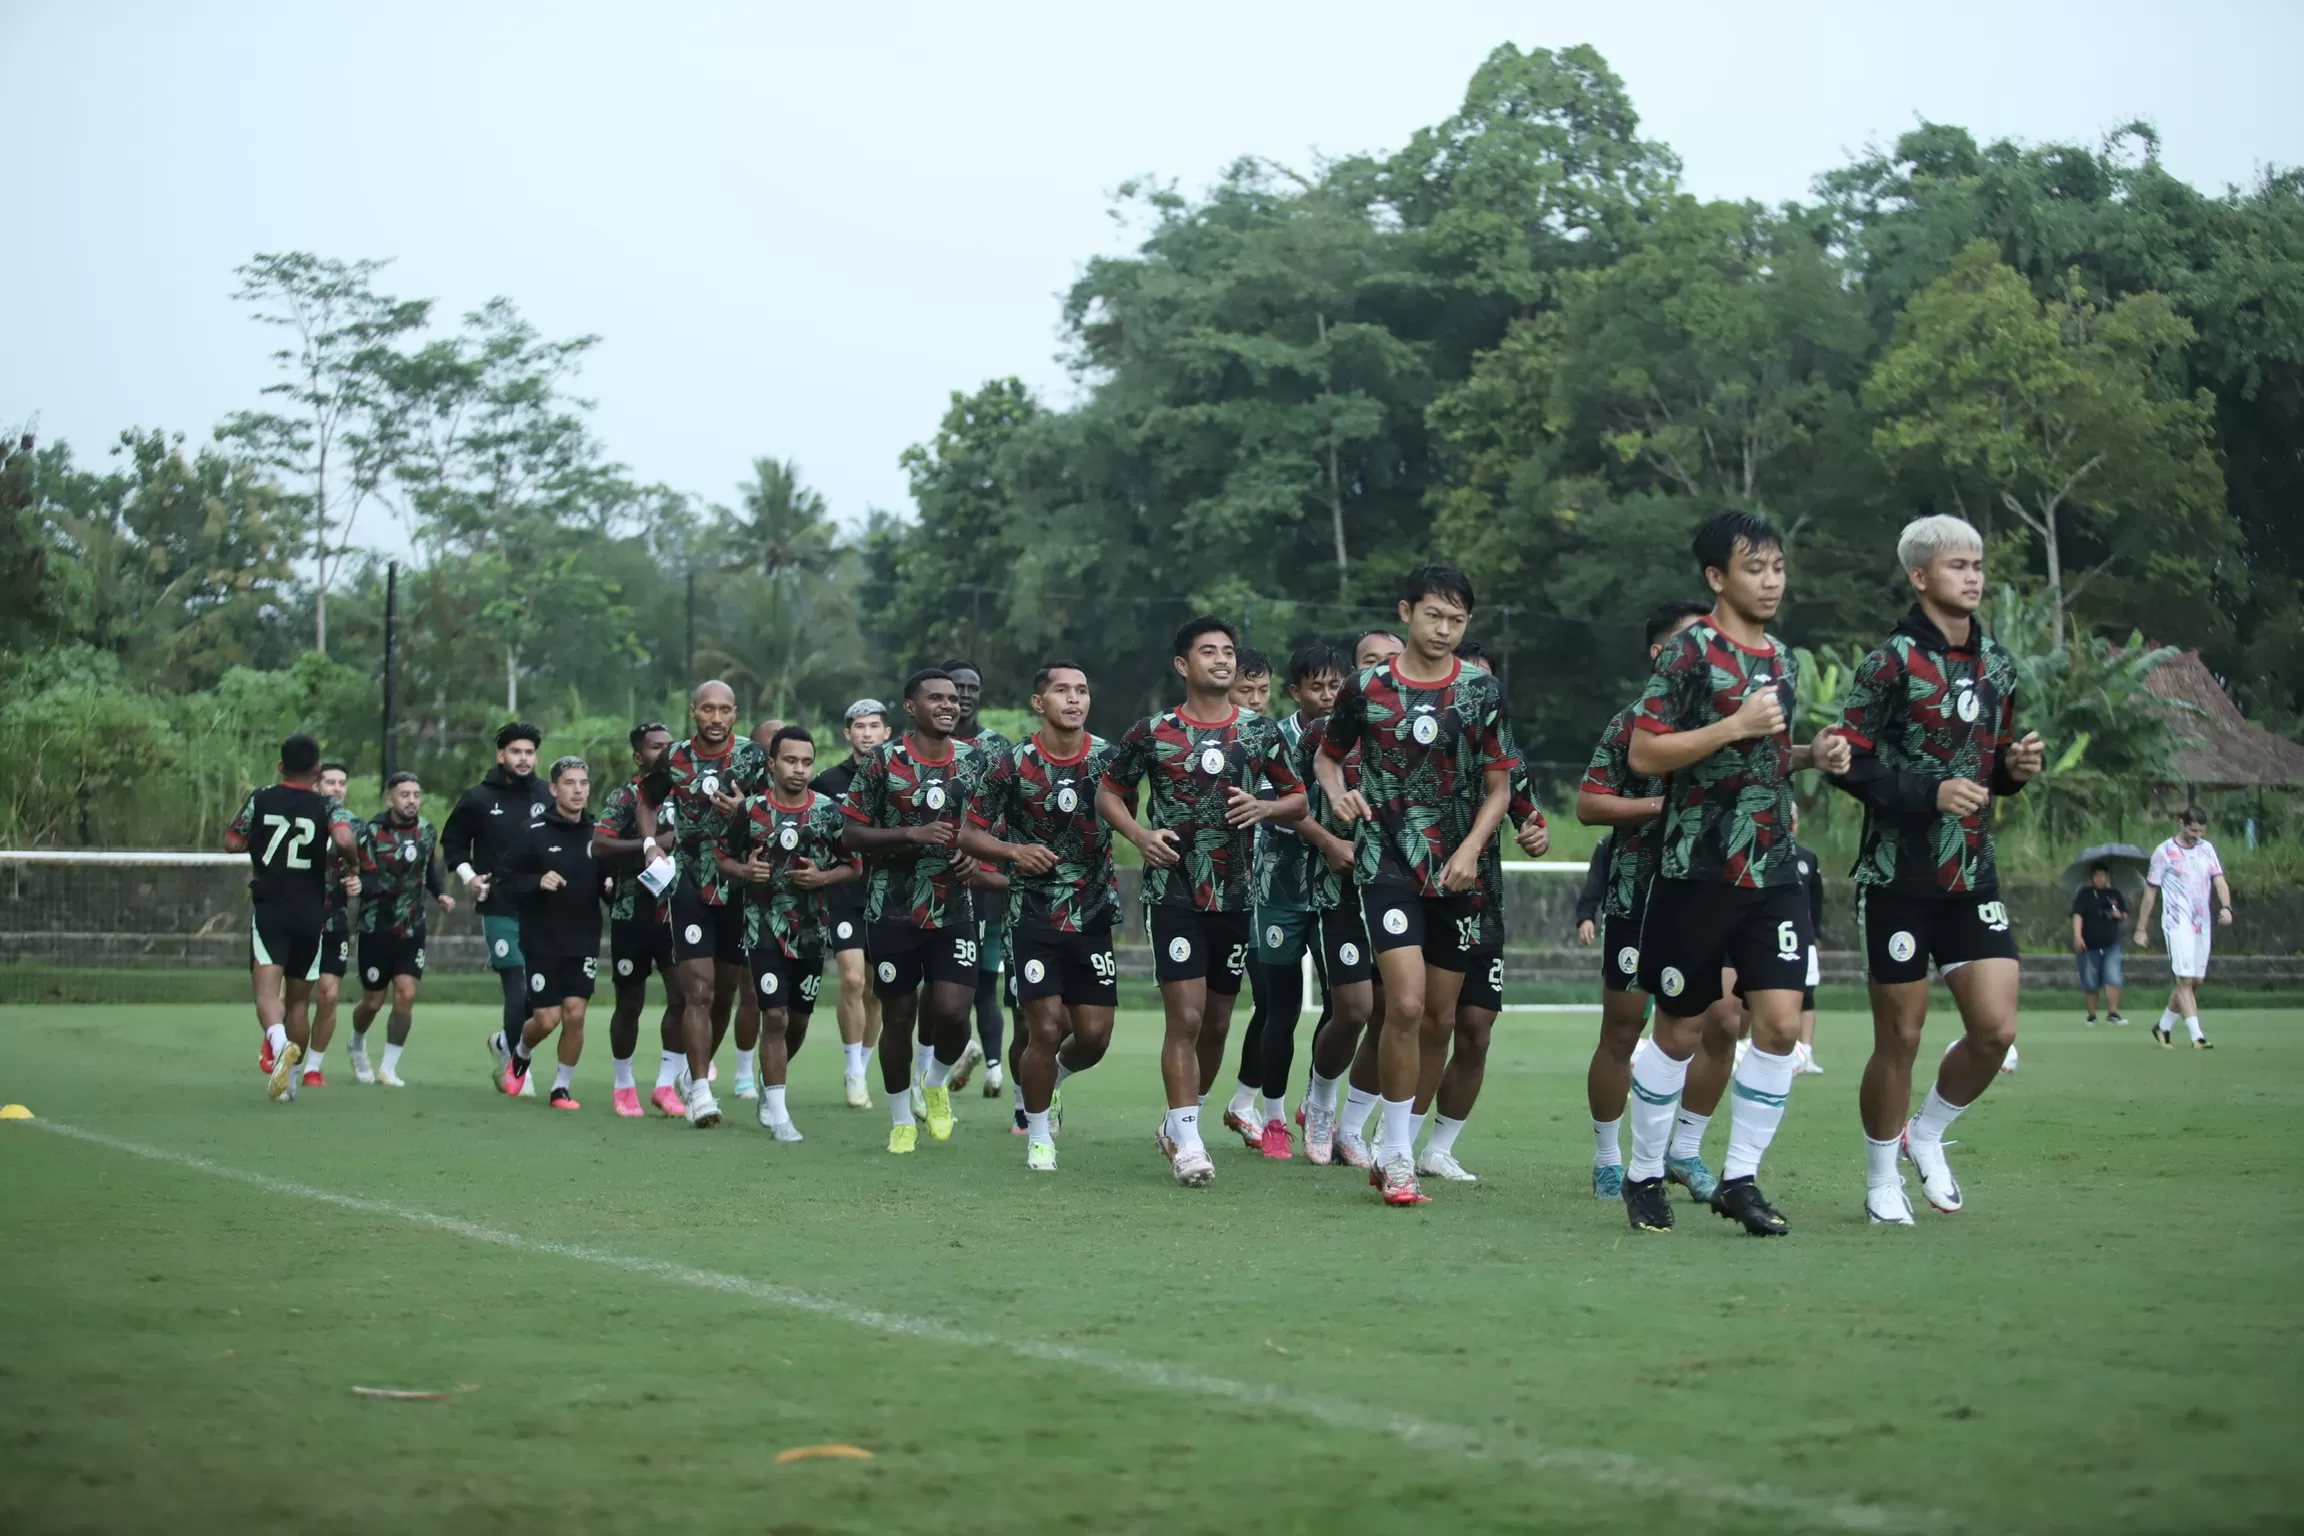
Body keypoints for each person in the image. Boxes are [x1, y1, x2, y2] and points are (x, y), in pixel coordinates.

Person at [1621, 512, 1854, 1237]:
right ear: (1717, 577)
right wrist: (1734, 727)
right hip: (1697, 866)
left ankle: (1741, 1178)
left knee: (1780, 1026)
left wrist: (1814, 755)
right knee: (1680, 1031)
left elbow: (1765, 757)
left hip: (1773, 868)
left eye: (1779, 566)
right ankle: (1642, 1172)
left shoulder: (1781, 659)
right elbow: (1645, 755)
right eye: (1755, 567)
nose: (1772, 580)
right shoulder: (1689, 653)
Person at [1829, 514, 2043, 1223]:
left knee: (1996, 1031)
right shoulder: (1889, 661)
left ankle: (1928, 1133)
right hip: (1898, 878)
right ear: (1920, 575)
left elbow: (1993, 760)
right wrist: (1927, 792)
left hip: (1972, 877)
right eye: (1958, 565)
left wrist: (2013, 769)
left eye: (1978, 563)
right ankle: (1880, 1177)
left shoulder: (2000, 665)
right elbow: (1849, 760)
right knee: (1903, 1037)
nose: (1974, 575)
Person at [1316, 565, 1517, 1207]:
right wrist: (1339, 794)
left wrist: (1471, 848)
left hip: (1460, 874)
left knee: (1439, 1018)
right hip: (1388, 866)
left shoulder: (1482, 693)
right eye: (1434, 615)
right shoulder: (1366, 687)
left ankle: (1391, 1140)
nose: (1445, 630)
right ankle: (1397, 1157)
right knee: (1401, 1006)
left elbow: (1500, 784)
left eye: (1457, 620)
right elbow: (1327, 754)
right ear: (1407, 611)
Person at [1099, 617, 1303, 1187]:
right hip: (1174, 893)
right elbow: (1108, 793)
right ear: (1182, 666)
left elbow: (1299, 799)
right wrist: (1140, 836)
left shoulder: (1261, 734)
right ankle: (1189, 1142)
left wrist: (1265, 809)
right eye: (1208, 652)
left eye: (1228, 652)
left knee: (1216, 1023)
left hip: (1237, 895)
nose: (1222, 660)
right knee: (1185, 1017)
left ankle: (1175, 1122)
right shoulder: (1152, 732)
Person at [961, 662, 1124, 1172]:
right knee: (1044, 1027)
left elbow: (1125, 813)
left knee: (1094, 1037)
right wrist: (1014, 851)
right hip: (1031, 915)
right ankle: (1037, 1134)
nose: (1074, 699)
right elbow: (969, 833)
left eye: (1081, 690)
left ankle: (1049, 1079)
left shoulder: (1109, 760)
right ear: (1039, 702)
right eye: (1061, 691)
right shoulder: (1010, 762)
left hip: (1092, 913)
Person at [1575, 599, 1712, 1198]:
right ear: (1660, 653)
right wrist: (1662, 806)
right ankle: (1609, 1156)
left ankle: (1685, 1151)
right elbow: (1589, 805)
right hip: (1640, 893)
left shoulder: (1728, 720)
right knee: (1624, 1029)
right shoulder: (1631, 723)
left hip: (1713, 893)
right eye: (1693, 638)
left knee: (1721, 1022)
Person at [841, 667, 997, 1154]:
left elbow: (996, 823)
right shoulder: (882, 762)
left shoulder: (976, 761)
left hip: (955, 908)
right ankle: (900, 1119)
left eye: (953, 698)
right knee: (899, 1015)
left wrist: (979, 850)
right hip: (892, 909)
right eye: (936, 698)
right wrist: (911, 834)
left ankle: (934, 1082)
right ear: (911, 708)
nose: (948, 705)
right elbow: (851, 835)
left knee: (954, 1011)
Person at [1415, 637, 1549, 1186]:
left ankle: (1439, 1148)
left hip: (1482, 905)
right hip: (1419, 897)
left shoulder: (1506, 756)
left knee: (1476, 1029)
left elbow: (1530, 819)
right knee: (1426, 1021)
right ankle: (1391, 1136)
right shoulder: (1418, 742)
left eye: (1481, 681)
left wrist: (1534, 834)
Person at [636, 681, 771, 1127]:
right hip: (691, 880)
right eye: (707, 709)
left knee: (726, 993)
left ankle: (691, 1079)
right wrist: (651, 845)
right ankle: (700, 1091)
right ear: (693, 711)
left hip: (738, 883)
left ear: (736, 713)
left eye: (725, 710)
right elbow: (646, 799)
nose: (716, 718)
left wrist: (745, 809)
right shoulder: (673, 756)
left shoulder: (753, 756)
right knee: (698, 989)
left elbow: (775, 807)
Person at [719, 726, 857, 1142]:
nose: (799, 769)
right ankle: (778, 1112)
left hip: (812, 933)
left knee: (797, 1022)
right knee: (774, 1017)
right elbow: (723, 857)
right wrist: (747, 871)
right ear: (772, 763)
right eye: (790, 760)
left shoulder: (830, 812)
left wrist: (824, 877)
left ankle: (769, 1084)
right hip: (762, 929)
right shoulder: (751, 811)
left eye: (806, 762)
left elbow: (855, 866)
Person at [1302, 626, 1404, 1168]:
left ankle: (1353, 1125)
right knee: (1356, 1009)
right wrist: (1326, 839)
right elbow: (1288, 803)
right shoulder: (1322, 735)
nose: (1382, 669)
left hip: (1402, 888)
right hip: (1340, 890)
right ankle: (1318, 1100)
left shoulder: (1419, 730)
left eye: (1392, 660)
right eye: (1370, 661)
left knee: (1392, 1011)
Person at [224, 733, 363, 1100]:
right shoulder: (327, 806)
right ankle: (293, 1082)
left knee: (268, 993)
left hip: (272, 907)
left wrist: (257, 844)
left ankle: (278, 1040)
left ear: (280, 766)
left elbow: (231, 842)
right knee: (301, 1001)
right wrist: (352, 865)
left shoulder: (261, 798)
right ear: (317, 770)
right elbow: (346, 839)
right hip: (311, 912)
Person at [445, 722, 546, 1098]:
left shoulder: (548, 794)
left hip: (542, 910)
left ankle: (506, 1042)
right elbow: (453, 847)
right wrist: (470, 876)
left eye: (529, 752)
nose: (523, 759)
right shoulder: (478, 798)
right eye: (516, 752)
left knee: (540, 996)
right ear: (501, 755)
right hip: (500, 907)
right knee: (517, 989)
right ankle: (519, 1068)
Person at [498, 756, 604, 1108]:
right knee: (547, 1018)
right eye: (570, 784)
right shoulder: (533, 832)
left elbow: (611, 886)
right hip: (542, 939)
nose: (577, 790)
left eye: (583, 784)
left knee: (575, 1014)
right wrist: (536, 881)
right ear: (554, 789)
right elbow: (505, 881)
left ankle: (561, 1087)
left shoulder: (599, 834)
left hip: (584, 938)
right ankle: (521, 1052)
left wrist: (611, 885)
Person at [591, 722, 678, 1116]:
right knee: (631, 1001)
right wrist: (649, 845)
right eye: (655, 747)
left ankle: (666, 1084)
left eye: (668, 746)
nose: (663, 752)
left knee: (685, 995)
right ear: (638, 755)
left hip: (678, 912)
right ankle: (624, 1083)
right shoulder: (626, 796)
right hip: (632, 911)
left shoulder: (686, 792)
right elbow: (600, 844)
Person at [347, 771, 453, 1087]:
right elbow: (364, 875)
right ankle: (356, 1042)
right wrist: (356, 886)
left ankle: (388, 1068)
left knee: (406, 993)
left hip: (411, 927)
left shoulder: (426, 832)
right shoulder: (370, 832)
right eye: (404, 794)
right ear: (390, 799)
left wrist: (441, 893)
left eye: (416, 795)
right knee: (373, 1002)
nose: (411, 800)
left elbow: (430, 869)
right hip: (375, 927)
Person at [813, 700, 892, 1107]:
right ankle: (854, 1072)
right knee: (852, 980)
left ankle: (863, 1059)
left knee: (878, 990)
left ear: (887, 732)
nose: (866, 733)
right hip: (843, 892)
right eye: (859, 726)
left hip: (888, 894)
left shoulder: (898, 777)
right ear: (848, 734)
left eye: (874, 726)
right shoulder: (827, 781)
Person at [941, 659, 1014, 1098]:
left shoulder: (995, 747)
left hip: (984, 885)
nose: (964, 696)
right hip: (932, 885)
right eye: (956, 688)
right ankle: (964, 1054)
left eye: (972, 688)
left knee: (985, 981)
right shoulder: (920, 747)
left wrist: (987, 856)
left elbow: (1009, 810)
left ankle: (991, 1065)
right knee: (946, 982)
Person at [1220, 645, 1283, 1148]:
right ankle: (1186, 1115)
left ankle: (1244, 1102)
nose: (1257, 700)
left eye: (1264, 691)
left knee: (1271, 1000)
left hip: (1267, 896)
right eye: (1247, 690)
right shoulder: (1211, 746)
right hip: (1212, 895)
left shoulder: (1273, 742)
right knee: (1201, 1014)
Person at [2134, 807, 2233, 1049]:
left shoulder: (2206, 849)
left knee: (2195, 980)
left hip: (2202, 922)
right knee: (2184, 979)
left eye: (2200, 830)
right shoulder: (2164, 852)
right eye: (2192, 830)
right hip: (2177, 922)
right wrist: (2141, 928)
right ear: (2181, 824)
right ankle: (2197, 1036)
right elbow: (2150, 892)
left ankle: (2163, 1026)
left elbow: (2219, 879)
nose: (2196, 835)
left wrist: (2227, 907)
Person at [301, 761, 359, 1085]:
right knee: (296, 995)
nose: (336, 788)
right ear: (315, 785)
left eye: (341, 783)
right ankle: (282, 1049)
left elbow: (362, 867)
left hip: (334, 920)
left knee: (329, 995)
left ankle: (313, 1066)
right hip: (298, 918)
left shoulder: (352, 825)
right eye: (329, 782)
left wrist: (357, 881)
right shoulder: (302, 819)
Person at [2071, 862, 2130, 1026]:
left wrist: (2119, 915)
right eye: (2096, 875)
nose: (2100, 878)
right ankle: (2092, 1015)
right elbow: (2077, 915)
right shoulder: (2085, 894)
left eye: (2103, 875)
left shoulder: (2114, 894)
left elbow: (2124, 914)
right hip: (2089, 946)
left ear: (2107, 876)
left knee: (2113, 978)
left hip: (2110, 944)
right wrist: (2077, 935)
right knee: (2090, 982)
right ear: (2092, 877)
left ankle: (2113, 1013)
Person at [1790, 811, 1825, 1075]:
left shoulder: (1808, 858)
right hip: (1770, 936)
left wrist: (1817, 935)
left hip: (1803, 938)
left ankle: (1806, 1054)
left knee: (1807, 996)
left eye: (1794, 819)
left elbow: (1817, 901)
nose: (1791, 824)